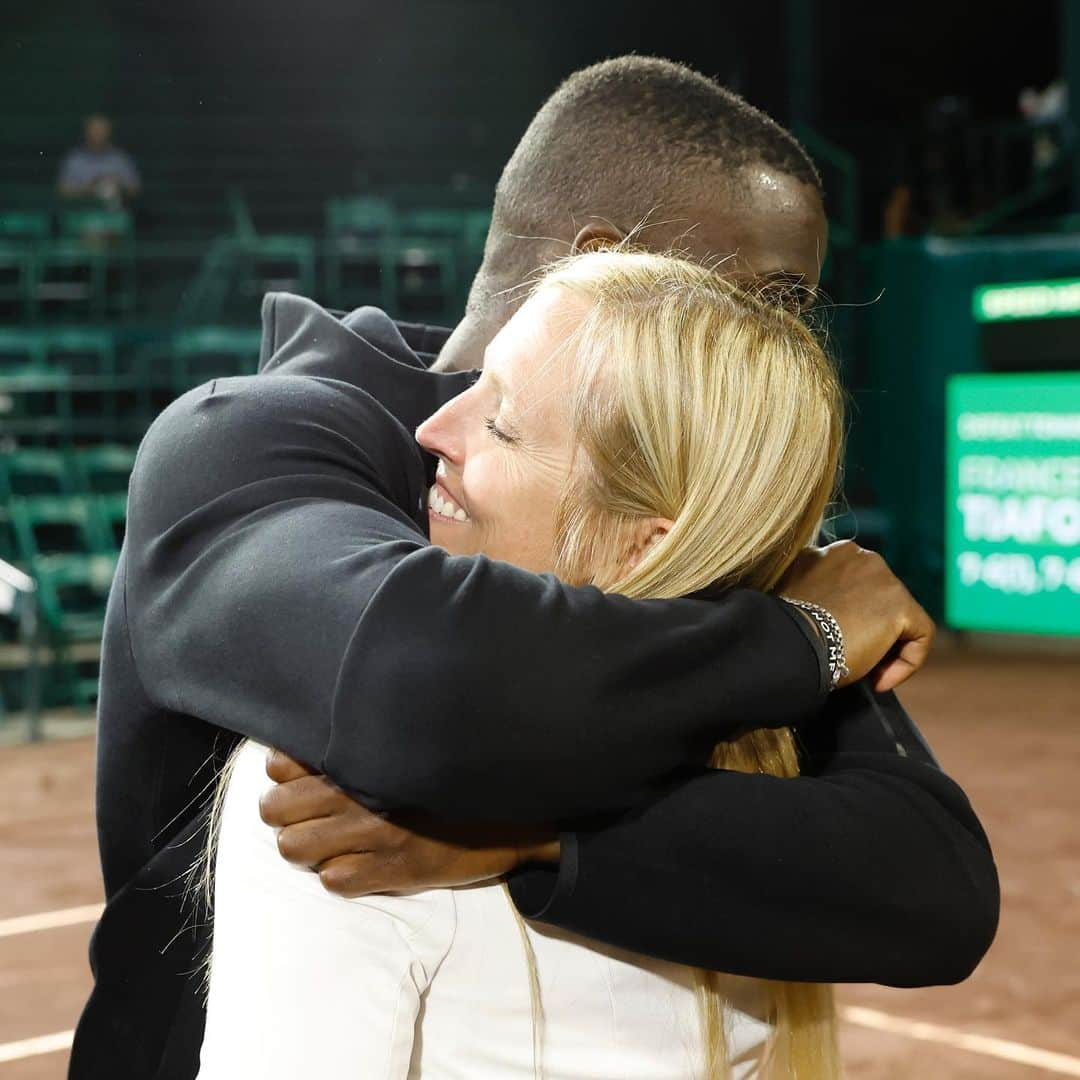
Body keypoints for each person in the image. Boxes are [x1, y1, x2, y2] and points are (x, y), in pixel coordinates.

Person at [71, 57, 997, 1080]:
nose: (781, 344)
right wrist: (802, 638)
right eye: (769, 298)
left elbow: (932, 884)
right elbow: (424, 689)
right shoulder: (253, 441)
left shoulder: (683, 497)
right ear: (608, 262)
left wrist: (538, 836)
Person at [197, 250, 853, 1079]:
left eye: (501, 423)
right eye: (477, 386)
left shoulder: (326, 794)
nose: (432, 429)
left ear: (639, 542)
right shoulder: (778, 783)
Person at [57, 114, 141, 208]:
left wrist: (118, 185)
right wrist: (91, 188)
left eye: (102, 130)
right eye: (94, 129)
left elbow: (135, 190)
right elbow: (63, 192)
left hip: (115, 212)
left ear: (109, 132)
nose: (98, 133)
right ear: (86, 132)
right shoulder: (74, 159)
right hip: (82, 213)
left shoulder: (120, 158)